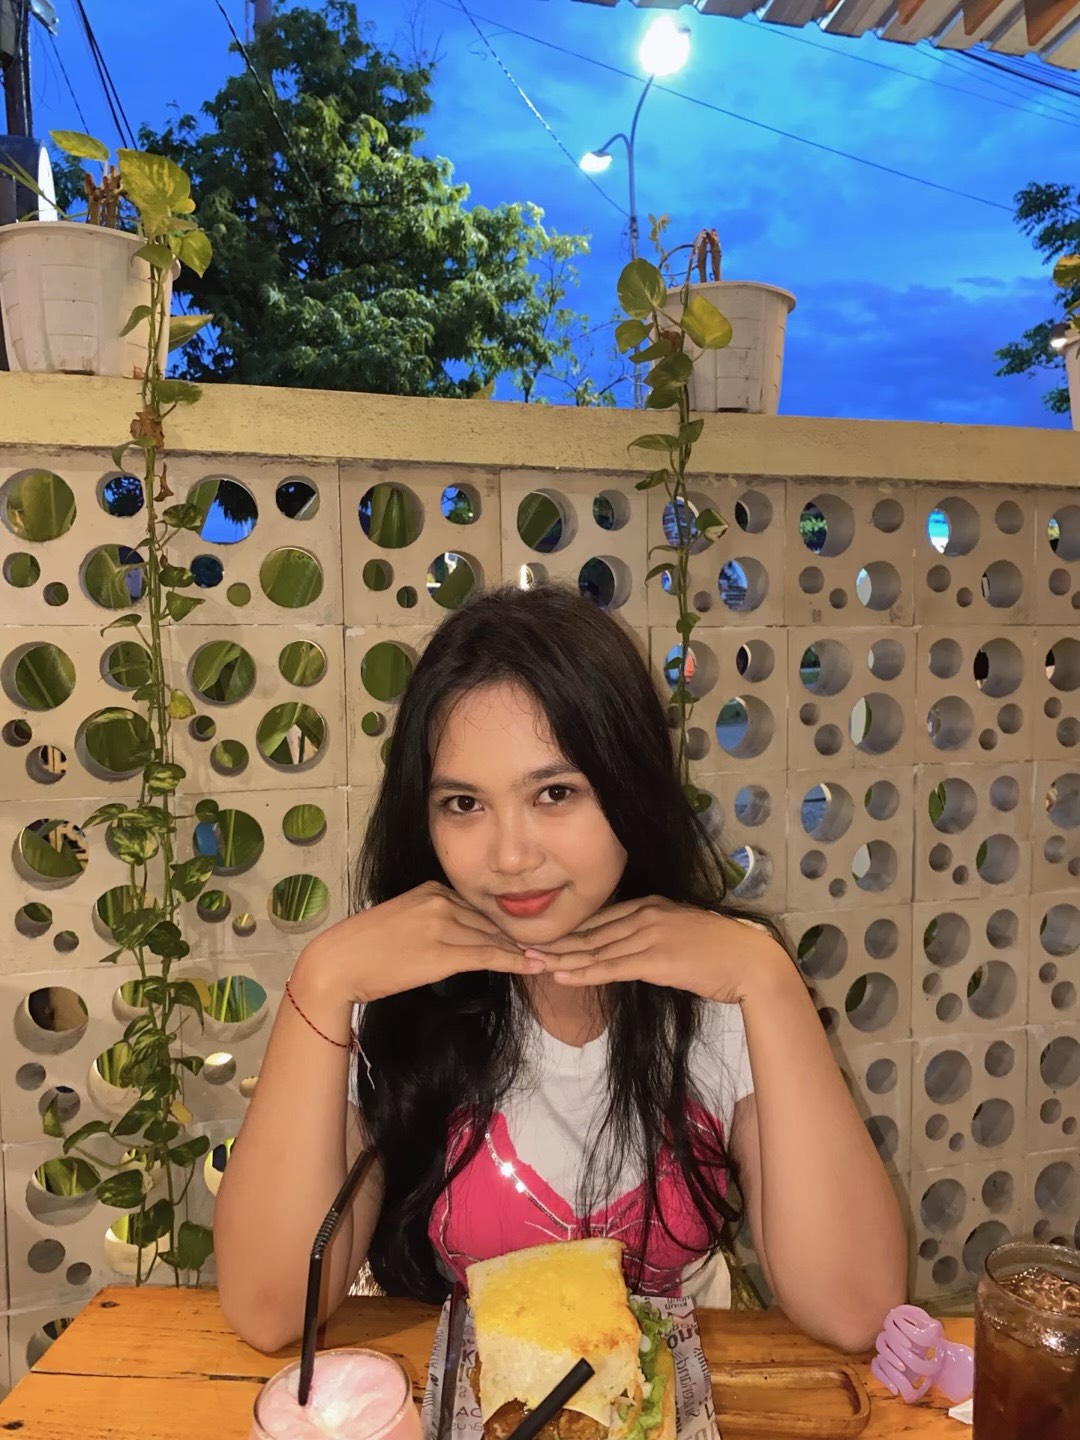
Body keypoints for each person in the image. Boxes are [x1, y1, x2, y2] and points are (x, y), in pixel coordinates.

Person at [214, 583, 906, 1354]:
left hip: (671, 1397)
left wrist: (769, 981)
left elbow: (854, 1309)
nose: (510, 856)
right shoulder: (387, 990)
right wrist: (321, 981)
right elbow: (269, 1310)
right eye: (463, 804)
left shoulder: (720, 985)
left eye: (554, 792)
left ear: (629, 783)